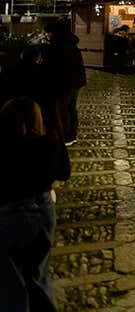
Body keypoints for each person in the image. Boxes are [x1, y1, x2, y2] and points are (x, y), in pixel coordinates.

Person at [0, 96, 70, 311]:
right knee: (38, 271)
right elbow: (64, 173)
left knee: (10, 280)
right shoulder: (49, 143)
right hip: (44, 211)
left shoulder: (3, 147)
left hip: (10, 213)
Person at [43, 19, 85, 145]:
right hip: (75, 82)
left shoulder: (58, 47)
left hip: (64, 82)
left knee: (63, 109)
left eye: (48, 33)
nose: (47, 35)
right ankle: (72, 135)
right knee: (71, 109)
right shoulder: (71, 45)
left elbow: (55, 67)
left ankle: (66, 136)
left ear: (55, 33)